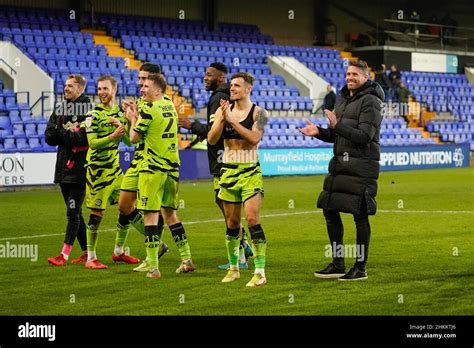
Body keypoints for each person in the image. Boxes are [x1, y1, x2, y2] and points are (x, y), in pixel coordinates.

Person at [299, 60, 383, 281]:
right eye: (348, 74)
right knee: (329, 209)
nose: (350, 78)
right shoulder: (343, 99)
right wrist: (318, 131)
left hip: (362, 166)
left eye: (355, 74)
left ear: (366, 77)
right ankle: (338, 263)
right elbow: (338, 135)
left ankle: (360, 267)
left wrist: (337, 127)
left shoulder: (371, 102)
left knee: (360, 215)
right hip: (340, 166)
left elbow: (364, 137)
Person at [178, 62, 252, 271]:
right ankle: (244, 246)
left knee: (229, 211)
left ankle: (240, 259)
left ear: (220, 78)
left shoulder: (219, 98)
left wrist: (192, 125)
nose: (205, 77)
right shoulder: (223, 96)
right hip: (224, 159)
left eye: (209, 75)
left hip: (223, 161)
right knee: (224, 205)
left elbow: (214, 132)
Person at [125, 73, 194, 279]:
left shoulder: (149, 110)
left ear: (157, 90)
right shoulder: (169, 105)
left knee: (150, 217)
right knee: (171, 214)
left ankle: (154, 267)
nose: (142, 89)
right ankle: (186, 258)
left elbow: (134, 138)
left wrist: (132, 117)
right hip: (172, 168)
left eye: (146, 86)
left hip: (152, 169)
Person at [208, 72, 268, 287]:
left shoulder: (260, 113)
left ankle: (260, 272)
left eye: (236, 86)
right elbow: (211, 139)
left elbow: (254, 139)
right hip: (228, 171)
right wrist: (222, 119)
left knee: (252, 219)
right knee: (232, 223)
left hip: (250, 172)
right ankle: (234, 269)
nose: (231, 89)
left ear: (248, 89)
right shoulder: (222, 110)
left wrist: (232, 120)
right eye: (231, 86)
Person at [80, 75, 140, 269]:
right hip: (97, 171)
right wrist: (112, 135)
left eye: (105, 89)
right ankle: (91, 257)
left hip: (115, 170)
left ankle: (119, 251)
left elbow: (130, 142)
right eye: (99, 89)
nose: (102, 93)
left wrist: (129, 122)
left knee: (127, 206)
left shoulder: (119, 113)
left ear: (114, 90)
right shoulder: (93, 115)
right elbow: (93, 144)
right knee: (97, 212)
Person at [117, 63, 169, 266]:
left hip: (154, 162)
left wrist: (134, 118)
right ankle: (158, 245)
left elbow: (144, 136)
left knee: (156, 209)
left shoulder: (160, 103)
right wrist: (131, 118)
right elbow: (131, 140)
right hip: (138, 160)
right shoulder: (142, 101)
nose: (140, 82)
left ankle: (153, 256)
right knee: (124, 205)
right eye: (139, 79)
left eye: (144, 79)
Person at [45, 74, 91, 266]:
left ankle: (63, 255)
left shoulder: (88, 110)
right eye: (65, 85)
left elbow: (82, 138)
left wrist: (61, 132)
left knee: (73, 212)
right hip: (63, 168)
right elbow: (49, 136)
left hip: (79, 169)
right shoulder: (60, 108)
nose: (66, 88)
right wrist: (65, 132)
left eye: (71, 86)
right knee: (75, 212)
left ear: (80, 89)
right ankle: (88, 252)